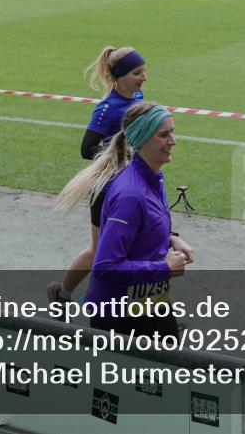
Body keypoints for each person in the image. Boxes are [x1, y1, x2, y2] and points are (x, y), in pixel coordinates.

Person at [47, 46, 147, 307]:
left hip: (133, 187)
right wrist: (122, 157)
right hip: (107, 190)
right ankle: (63, 293)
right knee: (100, 250)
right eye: (137, 72)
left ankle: (150, 308)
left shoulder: (138, 96)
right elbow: (86, 149)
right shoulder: (107, 109)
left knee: (138, 245)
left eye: (144, 71)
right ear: (121, 76)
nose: (143, 77)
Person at [84, 102, 193, 336]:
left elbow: (143, 230)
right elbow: (106, 266)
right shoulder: (130, 195)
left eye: (172, 132)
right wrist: (163, 268)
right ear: (142, 139)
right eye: (164, 135)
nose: (173, 141)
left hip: (151, 305)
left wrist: (171, 239)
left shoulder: (154, 177)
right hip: (120, 318)